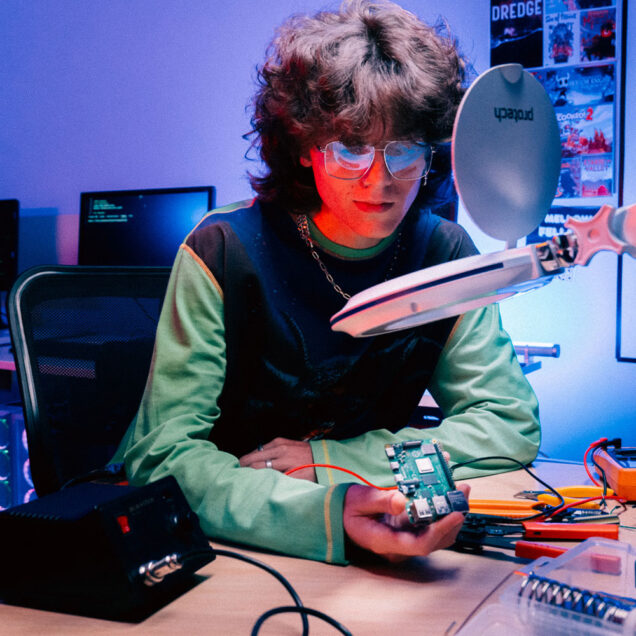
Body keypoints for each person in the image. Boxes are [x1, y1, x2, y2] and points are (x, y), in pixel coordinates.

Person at [113, 0, 540, 564]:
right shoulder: (223, 251)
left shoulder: (444, 254)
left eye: (404, 149)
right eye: (350, 148)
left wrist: (332, 461)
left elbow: (506, 422)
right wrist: (327, 513)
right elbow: (162, 457)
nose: (381, 179)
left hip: (376, 531)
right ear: (304, 149)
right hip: (225, 541)